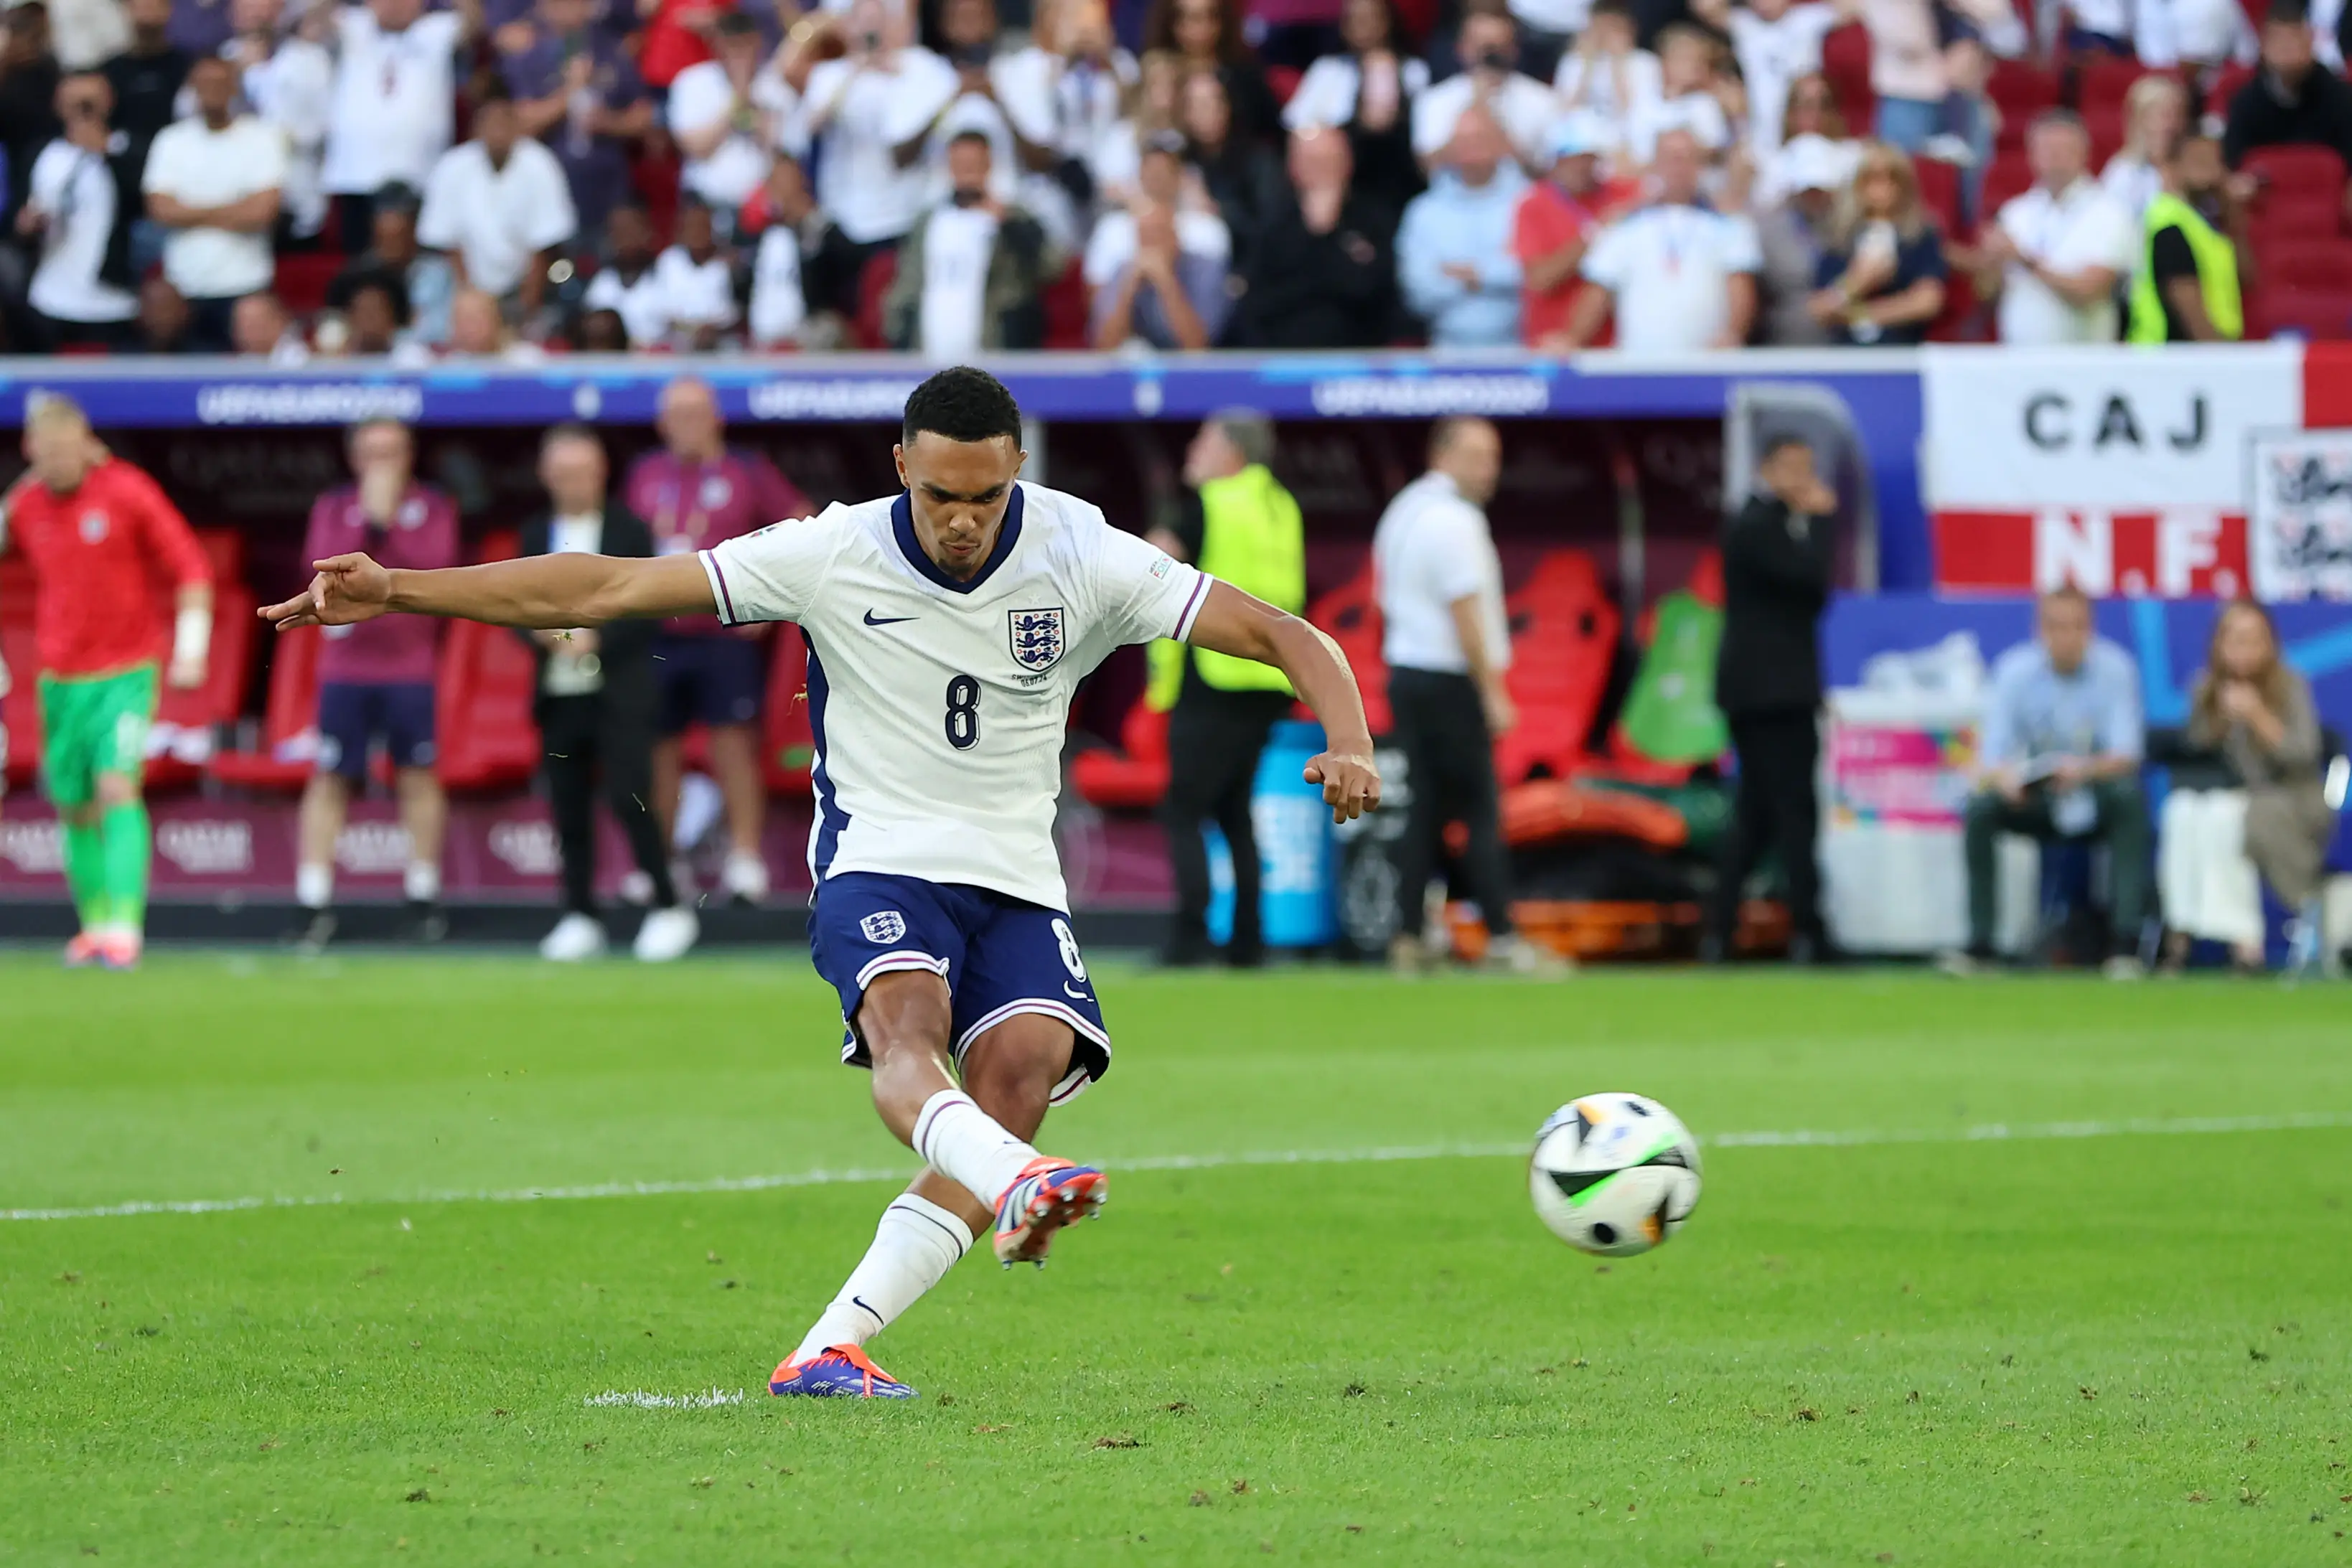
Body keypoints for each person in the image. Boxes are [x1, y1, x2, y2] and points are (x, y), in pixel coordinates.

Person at [260, 365, 1380, 1399]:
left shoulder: (1082, 550)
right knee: (910, 1033)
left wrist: (1350, 737)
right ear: (901, 466)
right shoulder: (831, 549)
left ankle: (831, 1345)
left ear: (1017, 472)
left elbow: (1277, 631)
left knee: (1024, 1072)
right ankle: (1015, 1179)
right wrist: (399, 588)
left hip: (1016, 876)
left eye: (985, 497)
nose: (962, 519)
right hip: (877, 858)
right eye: (940, 494)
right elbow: (607, 584)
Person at [1, 395, 211, 970]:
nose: (58, 462)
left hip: (125, 671)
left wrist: (191, 652)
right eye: (46, 452)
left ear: (87, 442)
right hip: (58, 678)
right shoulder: (28, 505)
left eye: (66, 449)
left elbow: (191, 567)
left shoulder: (126, 490)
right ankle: (93, 926)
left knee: (117, 786)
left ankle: (125, 927)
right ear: (30, 451)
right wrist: (21, 488)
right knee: (73, 805)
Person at [1372, 416, 1563, 978]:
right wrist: (1493, 690)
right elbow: (1465, 611)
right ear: (1442, 454)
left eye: (1494, 457)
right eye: (1477, 456)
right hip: (1448, 678)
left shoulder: (1403, 508)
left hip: (1406, 672)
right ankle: (1501, 936)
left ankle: (1409, 934)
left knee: (1424, 810)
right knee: (1480, 809)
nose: (1489, 470)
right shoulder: (1454, 519)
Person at [622, 375, 810, 907]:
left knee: (733, 747)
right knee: (659, 751)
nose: (686, 424)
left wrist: (773, 601)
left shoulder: (746, 470)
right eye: (675, 415)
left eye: (695, 413)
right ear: (661, 424)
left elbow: (803, 526)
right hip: (659, 631)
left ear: (716, 418)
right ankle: (662, 864)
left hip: (724, 631)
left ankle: (745, 860)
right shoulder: (645, 474)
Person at [515, 427, 697, 962]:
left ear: (601, 473)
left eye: (583, 471)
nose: (573, 482)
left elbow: (649, 607)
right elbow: (512, 603)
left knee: (629, 795)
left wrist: (597, 639)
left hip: (619, 689)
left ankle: (667, 904)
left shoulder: (629, 529)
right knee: (567, 804)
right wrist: (545, 636)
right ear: (546, 476)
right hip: (557, 691)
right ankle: (579, 913)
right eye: (563, 473)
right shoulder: (534, 531)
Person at [290, 418, 459, 951]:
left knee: (417, 775)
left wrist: (388, 527)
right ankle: (313, 901)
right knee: (331, 777)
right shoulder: (334, 507)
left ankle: (423, 897)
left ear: (410, 455)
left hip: (410, 669)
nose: (381, 463)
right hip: (346, 670)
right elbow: (320, 572)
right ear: (354, 458)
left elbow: (435, 570)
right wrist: (369, 520)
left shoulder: (433, 507)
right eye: (371, 453)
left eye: (392, 452)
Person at [1147, 411, 1305, 967]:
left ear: (1232, 453)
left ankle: (1190, 937)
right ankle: (1247, 943)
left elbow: (1154, 564)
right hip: (1268, 679)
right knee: (1236, 812)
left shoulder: (1210, 504)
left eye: (1203, 442)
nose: (1193, 451)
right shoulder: (1281, 505)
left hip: (1213, 677)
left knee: (1183, 809)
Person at [1941, 586, 2150, 980]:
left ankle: (2125, 944)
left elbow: (2127, 754)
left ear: (2090, 629)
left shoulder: (2116, 669)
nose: (2066, 637)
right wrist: (2007, 778)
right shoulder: (2014, 671)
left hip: (2094, 788)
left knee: (2129, 798)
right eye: (2057, 626)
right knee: (1981, 808)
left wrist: (2083, 770)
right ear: (2040, 629)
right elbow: (1992, 755)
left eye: (2076, 626)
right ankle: (1981, 944)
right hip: (2036, 794)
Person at [1705, 434, 1836, 965]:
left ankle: (1720, 932)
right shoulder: (1756, 525)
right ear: (1766, 469)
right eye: (1791, 467)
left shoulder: (1766, 524)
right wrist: (1822, 523)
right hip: (1771, 694)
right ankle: (1808, 933)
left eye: (1808, 468)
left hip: (1766, 692)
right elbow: (1811, 583)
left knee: (1757, 814)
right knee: (1794, 811)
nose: (1803, 480)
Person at [2160, 599, 2336, 972]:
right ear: (2218, 644)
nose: (2244, 649)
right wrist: (2221, 721)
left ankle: (2244, 941)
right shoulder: (2205, 689)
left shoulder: (2291, 685)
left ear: (2270, 643)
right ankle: (2180, 933)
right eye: (2235, 639)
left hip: (2287, 802)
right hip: (2221, 798)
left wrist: (2257, 716)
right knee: (2181, 811)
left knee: (2227, 816)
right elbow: (2195, 752)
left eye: (2253, 639)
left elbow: (2303, 755)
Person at [1556, 128, 1761, 352]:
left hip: (1707, 361)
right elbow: (1598, 291)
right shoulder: (1624, 226)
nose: (1679, 167)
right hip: (1640, 360)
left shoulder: (1730, 225)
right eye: (1671, 158)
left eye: (1687, 158)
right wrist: (1572, 339)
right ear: (1655, 165)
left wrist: (1732, 334)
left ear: (1700, 165)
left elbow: (1740, 287)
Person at [141, 55, 283, 349]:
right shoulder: (171, 141)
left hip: (246, 283)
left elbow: (263, 212)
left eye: (220, 83)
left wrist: (190, 212)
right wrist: (235, 209)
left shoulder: (263, 138)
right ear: (192, 88)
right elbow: (160, 210)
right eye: (205, 83)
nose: (213, 91)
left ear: (235, 87)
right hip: (184, 285)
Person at [322, 0, 479, 255]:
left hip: (420, 174)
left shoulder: (437, 30)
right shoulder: (353, 26)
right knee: (361, 266)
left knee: (417, 264)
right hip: (356, 173)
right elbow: (315, 18)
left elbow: (474, 25)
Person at [1967, 110, 2137, 345]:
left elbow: (2088, 292)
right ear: (2031, 155)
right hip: (2019, 355)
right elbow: (1987, 294)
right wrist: (1989, 265)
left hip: (2085, 358)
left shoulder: (2110, 212)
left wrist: (2022, 258)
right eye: (2046, 149)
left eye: (2063, 149)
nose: (2055, 158)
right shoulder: (2015, 212)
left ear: (2085, 153)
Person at [883, 130, 1056, 356]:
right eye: (960, 163)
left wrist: (1011, 225)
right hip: (928, 349)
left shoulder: (1013, 216)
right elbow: (908, 283)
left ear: (989, 164)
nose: (966, 171)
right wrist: (901, 329)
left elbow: (1051, 266)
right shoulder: (928, 222)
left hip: (993, 349)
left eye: (973, 163)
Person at [417, 83, 577, 321]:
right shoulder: (452, 167)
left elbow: (543, 247)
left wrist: (526, 309)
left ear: (516, 126)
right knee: (429, 278)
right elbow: (448, 244)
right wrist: (472, 305)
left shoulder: (541, 164)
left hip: (523, 287)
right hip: (464, 289)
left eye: (504, 122)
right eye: (490, 123)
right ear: (476, 128)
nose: (498, 131)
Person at [1232, 123, 1397, 349]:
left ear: (1348, 164)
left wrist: (1326, 234)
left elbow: (1375, 296)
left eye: (1329, 161)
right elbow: (1258, 303)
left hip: (1359, 356)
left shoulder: (1375, 221)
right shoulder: (1273, 227)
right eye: (1312, 162)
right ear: (1293, 168)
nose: (1321, 172)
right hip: (1284, 357)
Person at [501, 0, 652, 233]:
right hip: (551, 183)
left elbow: (644, 117)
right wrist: (570, 91)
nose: (568, 9)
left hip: (608, 182)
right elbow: (523, 124)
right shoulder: (531, 58)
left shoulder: (611, 52)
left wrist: (610, 122)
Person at [19, 71, 139, 349]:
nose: (83, 112)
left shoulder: (130, 149)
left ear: (110, 102)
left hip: (114, 301)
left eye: (90, 104)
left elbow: (142, 203)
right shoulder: (40, 154)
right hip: (49, 298)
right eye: (75, 104)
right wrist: (26, 227)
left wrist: (104, 149)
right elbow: (22, 217)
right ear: (57, 105)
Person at [1397, 102, 1526, 347]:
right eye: (1462, 141)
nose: (1471, 149)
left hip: (1521, 347)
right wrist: (1496, 272)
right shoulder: (1423, 211)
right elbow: (1417, 292)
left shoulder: (1529, 202)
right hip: (1446, 349)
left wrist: (1472, 274)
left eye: (1479, 138)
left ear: (1502, 143)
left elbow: (1534, 274)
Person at [1280, 0, 1425, 215]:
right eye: (1354, 20)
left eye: (1370, 18)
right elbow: (1299, 129)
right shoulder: (1327, 71)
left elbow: (1425, 136)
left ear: (1388, 21)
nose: (1362, 26)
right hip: (1342, 182)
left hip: (1400, 178)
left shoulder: (1413, 71)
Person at [1806, 140, 1947, 346]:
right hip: (1847, 352)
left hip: (1900, 349)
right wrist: (1857, 283)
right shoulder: (1841, 238)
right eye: (1872, 179)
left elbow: (1927, 302)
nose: (1882, 188)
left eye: (1891, 178)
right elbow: (1819, 309)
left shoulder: (1920, 236)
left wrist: (1858, 314)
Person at [665, 11, 794, 219]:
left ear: (757, 42)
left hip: (762, 208)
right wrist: (738, 99)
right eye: (732, 46)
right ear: (717, 46)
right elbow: (697, 148)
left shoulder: (776, 85)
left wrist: (757, 114)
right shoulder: (692, 81)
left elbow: (782, 150)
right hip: (705, 206)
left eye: (745, 45)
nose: (739, 55)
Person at [2223, 0, 2352, 207]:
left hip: (2329, 208)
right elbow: (2234, 166)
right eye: (2279, 42)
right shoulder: (2245, 102)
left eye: (2294, 40)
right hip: (2267, 210)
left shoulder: (2341, 98)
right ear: (2263, 46)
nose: (2287, 51)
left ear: (2310, 43)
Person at [229, 0, 333, 246]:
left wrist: (256, 74)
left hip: (297, 191)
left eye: (266, 6)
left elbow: (322, 125)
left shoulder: (309, 58)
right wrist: (240, 73)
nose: (257, 14)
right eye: (247, 7)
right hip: (238, 195)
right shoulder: (223, 59)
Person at [2126, 132, 2247, 343]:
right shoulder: (2169, 224)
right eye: (2199, 161)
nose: (2211, 170)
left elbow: (2247, 279)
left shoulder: (2205, 225)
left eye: (2216, 161)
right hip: (2169, 355)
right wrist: (2224, 357)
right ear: (2171, 168)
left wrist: (2229, 206)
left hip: (2205, 353)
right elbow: (2190, 314)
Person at [1412, 1, 1557, 171]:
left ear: (1514, 50)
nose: (1489, 57)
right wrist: (1477, 104)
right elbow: (1429, 168)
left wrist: (1494, 128)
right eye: (1482, 47)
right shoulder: (1434, 100)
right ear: (1461, 48)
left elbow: (1548, 173)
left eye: (1498, 47)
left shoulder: (1544, 100)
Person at [1510, 111, 1614, 347]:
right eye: (1572, 159)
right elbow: (1540, 279)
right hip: (1551, 342)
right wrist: (1595, 235)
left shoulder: (1616, 193)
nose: (1581, 167)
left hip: (1609, 345)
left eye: (1588, 159)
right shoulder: (1532, 205)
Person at [327, 183, 454, 346]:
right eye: (384, 238)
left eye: (397, 237)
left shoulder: (437, 273)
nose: (390, 248)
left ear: (413, 232)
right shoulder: (357, 275)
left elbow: (439, 330)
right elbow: (336, 325)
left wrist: (387, 335)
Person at [1140, 0, 1279, 144]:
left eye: (1210, 16)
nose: (1200, 27)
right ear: (1171, 22)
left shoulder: (1245, 76)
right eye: (1190, 17)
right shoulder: (1158, 74)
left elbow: (1270, 132)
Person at [1754, 131, 1845, 344]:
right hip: (1786, 340)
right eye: (1808, 190)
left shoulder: (1848, 228)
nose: (1814, 196)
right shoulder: (1769, 231)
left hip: (1843, 340)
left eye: (1820, 189)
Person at [2100, 72, 2188, 228]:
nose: (2172, 125)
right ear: (2140, 120)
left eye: (2178, 115)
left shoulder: (2187, 166)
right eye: (2164, 115)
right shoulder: (2123, 173)